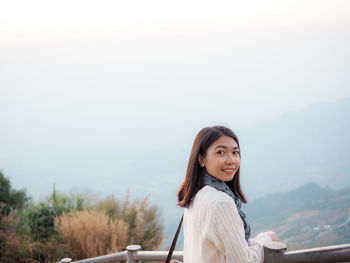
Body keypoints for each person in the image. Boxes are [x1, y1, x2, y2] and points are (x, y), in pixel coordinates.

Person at [177, 126, 279, 263]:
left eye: (235, 152)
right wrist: (265, 239)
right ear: (201, 159)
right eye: (220, 152)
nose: (231, 160)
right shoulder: (220, 203)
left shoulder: (195, 196)